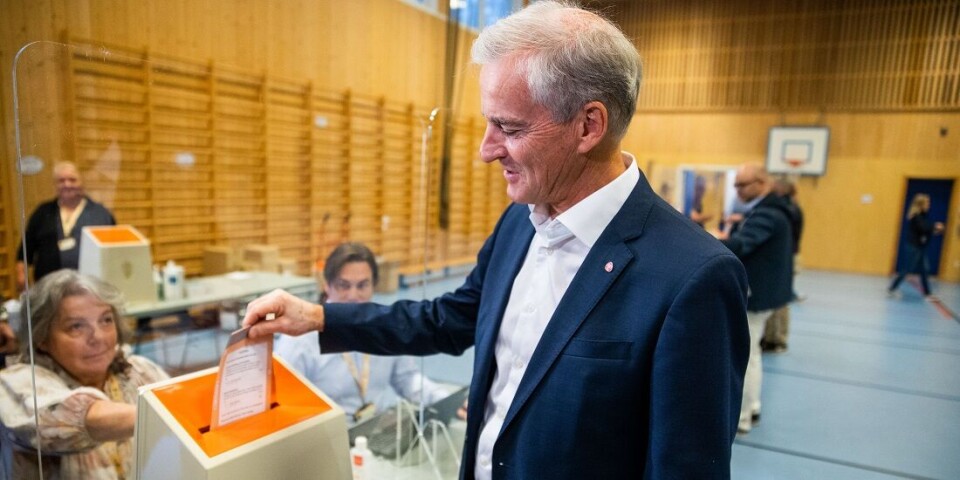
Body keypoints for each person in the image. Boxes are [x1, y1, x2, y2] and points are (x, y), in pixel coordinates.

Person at [243, 2, 749, 479]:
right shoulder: (518, 223)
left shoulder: (692, 277)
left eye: (508, 127)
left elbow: (685, 468)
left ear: (589, 125)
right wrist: (321, 318)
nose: (487, 150)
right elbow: (449, 320)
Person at [0, 270, 169, 479]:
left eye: (106, 320)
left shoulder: (139, 370)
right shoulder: (17, 382)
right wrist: (168, 415)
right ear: (41, 337)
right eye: (76, 326)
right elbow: (61, 421)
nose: (97, 337)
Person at [275, 243, 449, 423]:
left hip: (374, 436)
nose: (353, 295)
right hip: (326, 439)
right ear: (327, 286)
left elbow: (407, 378)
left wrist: (444, 399)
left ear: (373, 286)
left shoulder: (385, 327)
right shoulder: (299, 339)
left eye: (362, 285)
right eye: (344, 285)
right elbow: (285, 407)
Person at [716, 163, 794, 435]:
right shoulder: (772, 211)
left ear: (762, 184)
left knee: (745, 357)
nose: (737, 190)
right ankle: (754, 406)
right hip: (767, 294)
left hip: (757, 296)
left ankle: (742, 416)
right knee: (753, 354)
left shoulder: (767, 215)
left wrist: (707, 238)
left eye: (742, 185)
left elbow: (741, 245)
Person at [16, 161, 116, 292]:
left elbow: (115, 253)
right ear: (55, 185)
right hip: (49, 289)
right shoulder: (42, 213)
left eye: (72, 180)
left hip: (90, 289)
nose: (67, 184)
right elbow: (24, 251)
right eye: (61, 181)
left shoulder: (101, 214)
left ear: (82, 182)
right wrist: (21, 276)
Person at [761, 179, 805, 353]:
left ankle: (779, 338)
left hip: (788, 256)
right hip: (786, 255)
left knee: (782, 298)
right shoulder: (787, 210)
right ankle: (771, 336)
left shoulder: (790, 210)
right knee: (776, 298)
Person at [888, 193, 944, 299]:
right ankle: (892, 288)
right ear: (921, 204)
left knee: (923, 270)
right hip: (914, 247)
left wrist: (934, 230)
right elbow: (923, 228)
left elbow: (925, 230)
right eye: (927, 202)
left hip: (920, 247)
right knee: (907, 269)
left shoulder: (923, 216)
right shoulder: (916, 216)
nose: (929, 205)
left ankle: (927, 293)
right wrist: (935, 226)